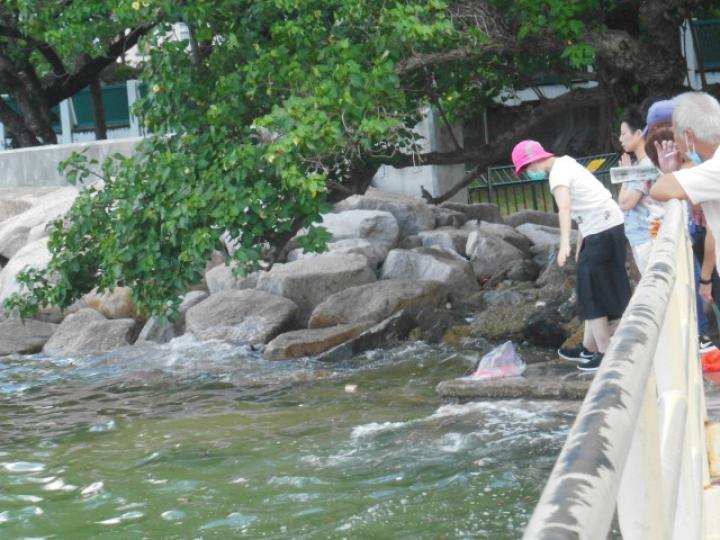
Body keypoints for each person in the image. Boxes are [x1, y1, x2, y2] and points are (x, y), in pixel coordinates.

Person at [512, 140, 631, 371]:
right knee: (589, 289)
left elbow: (565, 208)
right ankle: (589, 348)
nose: (528, 175)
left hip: (603, 231)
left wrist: (565, 243)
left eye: (526, 170)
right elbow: (585, 208)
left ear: (532, 161)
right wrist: (580, 244)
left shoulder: (558, 176)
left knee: (593, 293)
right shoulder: (566, 163)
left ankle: (605, 353)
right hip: (605, 228)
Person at [650, 92, 720, 348]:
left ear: (689, 136)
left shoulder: (715, 168)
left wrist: (670, 171)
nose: (678, 149)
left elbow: (660, 189)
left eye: (678, 142)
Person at [616, 107, 657, 274]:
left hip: (648, 238)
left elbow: (625, 202)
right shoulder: (638, 166)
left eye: (623, 133)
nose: (620, 139)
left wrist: (625, 177)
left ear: (639, 133)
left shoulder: (645, 166)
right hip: (641, 237)